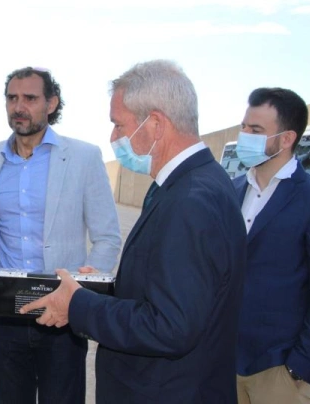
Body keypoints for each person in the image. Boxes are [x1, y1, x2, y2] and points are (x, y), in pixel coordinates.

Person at [21, 60, 247, 404]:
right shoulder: (197, 182)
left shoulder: (191, 200)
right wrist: (100, 291)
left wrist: (78, 304)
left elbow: (171, 326)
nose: (113, 137)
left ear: (155, 123)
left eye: (118, 124)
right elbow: (177, 291)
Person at [0, 66, 121, 403]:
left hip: (62, 312)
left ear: (51, 104)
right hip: (6, 310)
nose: (18, 107)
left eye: (30, 98)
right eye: (12, 98)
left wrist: (81, 295)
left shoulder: (83, 157)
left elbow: (107, 237)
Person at [232, 88, 310, 404]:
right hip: (222, 363)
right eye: (243, 127)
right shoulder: (230, 192)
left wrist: (300, 367)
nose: (245, 136)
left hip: (278, 372)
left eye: (255, 130)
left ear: (286, 139)